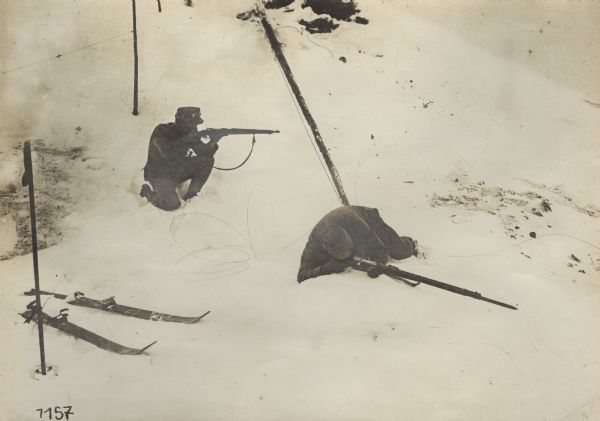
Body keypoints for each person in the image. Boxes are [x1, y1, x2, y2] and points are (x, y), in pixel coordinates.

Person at [297, 206, 418, 283]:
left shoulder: (358, 227)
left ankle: (411, 244)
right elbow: (302, 276)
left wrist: (378, 265)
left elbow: (380, 250)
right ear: (327, 250)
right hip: (339, 221)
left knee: (398, 250)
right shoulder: (313, 247)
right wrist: (327, 268)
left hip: (366, 217)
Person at [140, 107, 218, 211]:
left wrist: (213, 142)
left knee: (207, 161)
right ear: (183, 123)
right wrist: (186, 140)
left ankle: (191, 196)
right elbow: (166, 152)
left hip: (176, 171)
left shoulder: (190, 133)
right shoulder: (162, 130)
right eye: (192, 124)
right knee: (172, 204)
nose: (195, 127)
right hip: (159, 175)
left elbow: (204, 153)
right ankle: (148, 192)